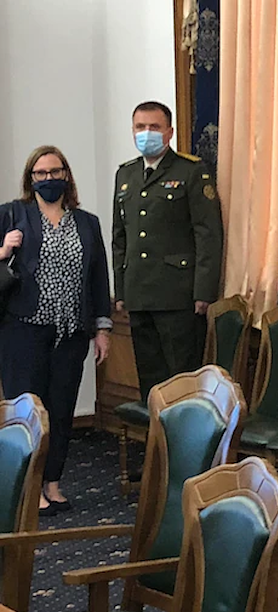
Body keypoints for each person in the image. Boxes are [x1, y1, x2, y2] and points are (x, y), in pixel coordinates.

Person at [0, 146, 112, 516]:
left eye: (55, 172)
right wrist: (3, 250)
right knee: (27, 412)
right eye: (40, 173)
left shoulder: (86, 222)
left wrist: (102, 329)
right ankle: (27, 488)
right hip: (23, 331)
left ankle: (52, 483)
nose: (48, 179)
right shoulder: (12, 215)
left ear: (67, 174)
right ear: (30, 179)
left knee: (61, 410)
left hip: (71, 334)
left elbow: (98, 279)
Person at [112, 101, 223, 402]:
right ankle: (155, 446)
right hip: (139, 294)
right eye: (140, 127)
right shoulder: (126, 175)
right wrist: (121, 290)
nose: (146, 133)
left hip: (179, 296)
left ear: (169, 132)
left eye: (154, 127)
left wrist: (204, 291)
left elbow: (208, 234)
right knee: (150, 379)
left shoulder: (191, 171)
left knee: (182, 380)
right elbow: (120, 238)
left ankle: (183, 446)